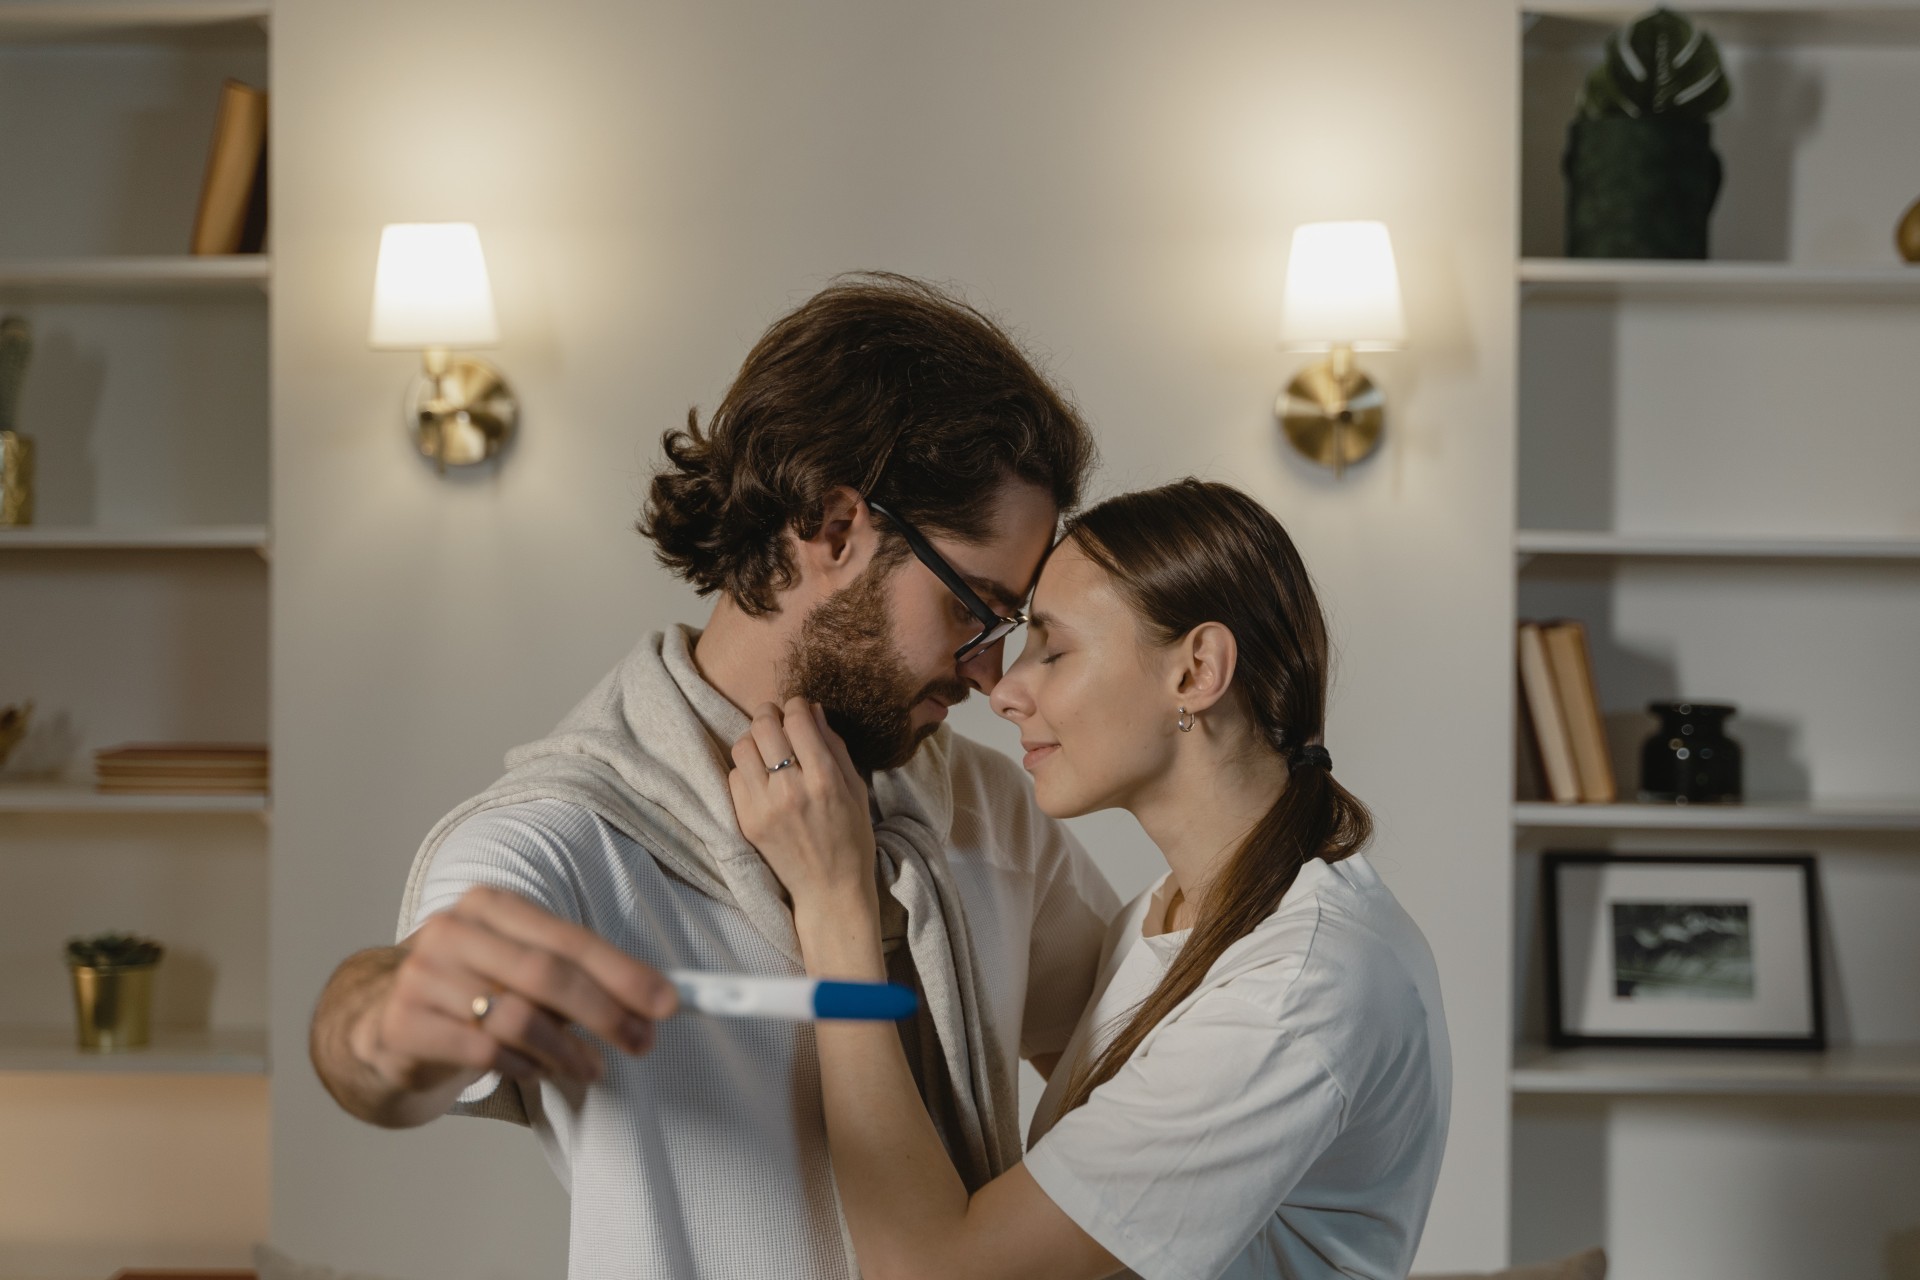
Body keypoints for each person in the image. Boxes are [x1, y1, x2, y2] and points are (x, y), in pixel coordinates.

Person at [306, 274, 1121, 1280]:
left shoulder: (987, 811)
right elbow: (375, 1053)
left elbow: (1151, 1051)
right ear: (832, 529)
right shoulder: (567, 836)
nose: (993, 670)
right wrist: (385, 1017)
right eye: (971, 606)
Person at [732, 478, 1453, 1280]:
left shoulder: (1300, 987)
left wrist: (835, 904)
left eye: (1052, 648)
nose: (1002, 690)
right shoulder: (1177, 911)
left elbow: (934, 1272)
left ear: (1197, 671)